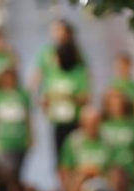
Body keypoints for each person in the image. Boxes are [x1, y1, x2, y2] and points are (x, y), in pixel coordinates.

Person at [34, 19, 89, 158]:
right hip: (58, 117)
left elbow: (85, 90)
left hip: (74, 117)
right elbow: (38, 76)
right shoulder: (47, 53)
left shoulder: (78, 60)